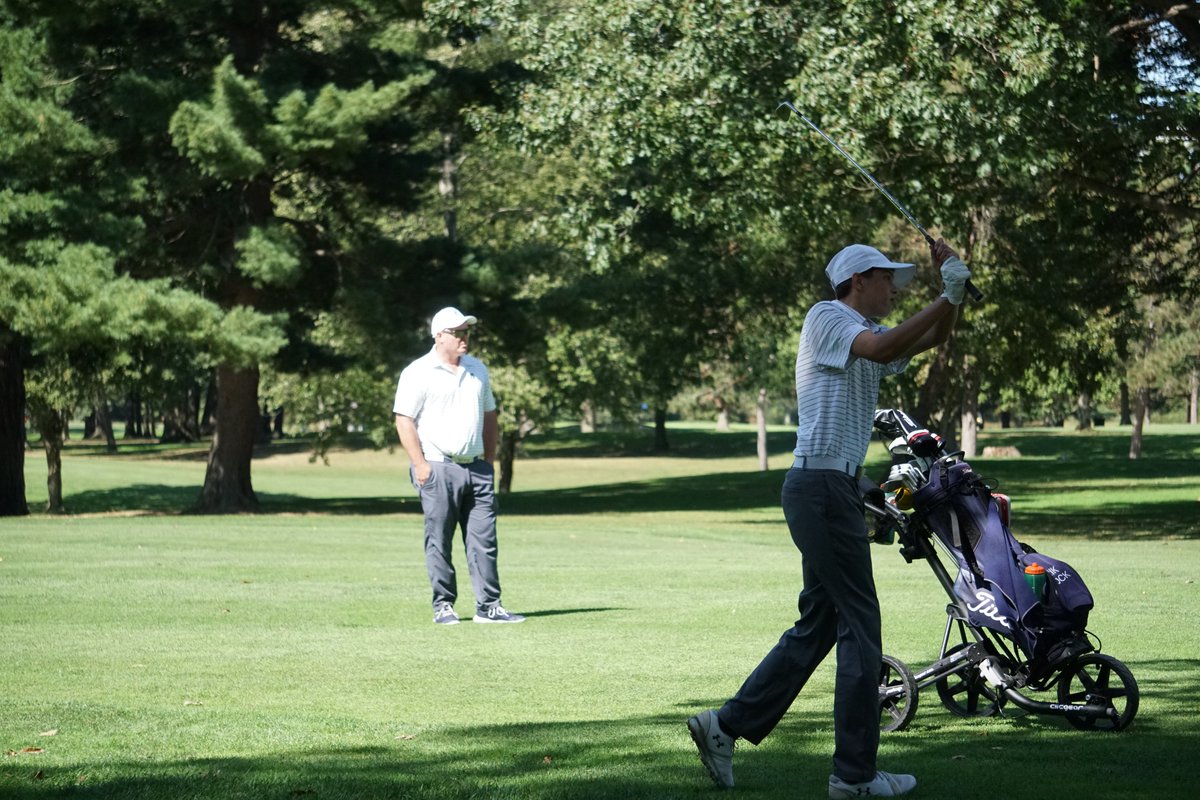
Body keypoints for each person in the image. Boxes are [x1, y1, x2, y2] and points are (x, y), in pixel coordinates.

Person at [687, 240, 971, 798]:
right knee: (860, 627)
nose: (894, 291)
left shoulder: (862, 327)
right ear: (859, 280)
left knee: (819, 622)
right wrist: (946, 295)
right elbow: (886, 348)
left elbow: (931, 338)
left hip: (832, 487)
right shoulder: (828, 317)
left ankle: (725, 725)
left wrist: (952, 296)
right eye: (888, 280)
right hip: (820, 487)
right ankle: (854, 776)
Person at [393, 306, 525, 625]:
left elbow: (490, 416)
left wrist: (489, 461)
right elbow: (404, 420)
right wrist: (420, 465)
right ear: (439, 336)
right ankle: (443, 605)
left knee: (484, 541)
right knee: (439, 539)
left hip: (476, 468)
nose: (464, 337)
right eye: (457, 332)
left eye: (467, 331)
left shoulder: (478, 369)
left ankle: (489, 606)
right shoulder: (418, 372)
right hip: (437, 467)